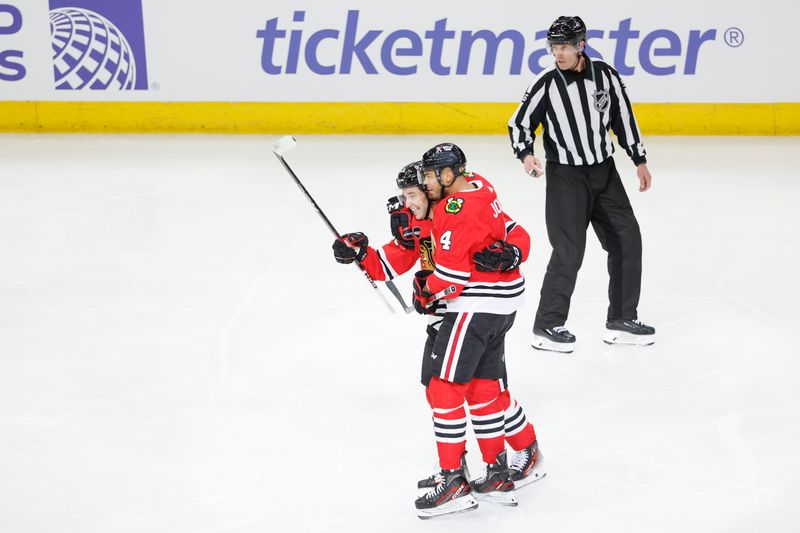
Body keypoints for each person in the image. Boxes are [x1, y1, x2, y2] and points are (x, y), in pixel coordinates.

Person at [332, 161, 545, 519]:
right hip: (448, 314)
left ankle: (512, 455)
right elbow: (389, 264)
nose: (408, 202)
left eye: (414, 193)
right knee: (464, 388)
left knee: (479, 392)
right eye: (405, 196)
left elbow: (514, 231)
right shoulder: (418, 219)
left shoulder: (461, 211)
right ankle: (469, 466)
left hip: (475, 307)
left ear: (434, 189)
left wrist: (513, 253)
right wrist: (361, 254)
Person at [507, 15, 656, 353]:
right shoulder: (546, 82)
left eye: (564, 46)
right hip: (566, 179)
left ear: (581, 45)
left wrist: (639, 160)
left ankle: (621, 319)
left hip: (605, 174)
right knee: (569, 251)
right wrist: (526, 155)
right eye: (554, 47)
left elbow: (624, 119)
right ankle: (547, 326)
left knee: (627, 239)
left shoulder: (606, 75)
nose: (558, 53)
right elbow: (518, 124)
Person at [410, 143, 532, 517]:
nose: (426, 183)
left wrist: (424, 289)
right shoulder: (480, 184)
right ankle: (496, 472)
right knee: (482, 388)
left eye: (429, 177)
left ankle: (453, 481)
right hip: (503, 303)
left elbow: (453, 276)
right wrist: (513, 252)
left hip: (475, 305)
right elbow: (509, 228)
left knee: (443, 389)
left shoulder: (451, 208)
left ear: (448, 175)